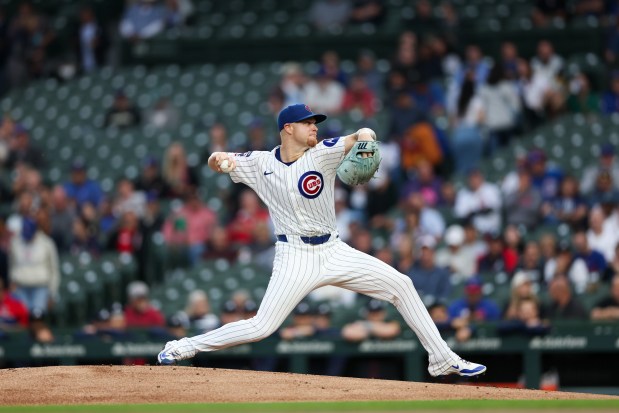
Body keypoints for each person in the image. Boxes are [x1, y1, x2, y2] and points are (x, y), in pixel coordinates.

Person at [157, 103, 486, 377]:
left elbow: (360, 135)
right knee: (262, 326)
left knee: (401, 284)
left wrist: (367, 135)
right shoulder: (260, 163)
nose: (315, 127)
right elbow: (217, 159)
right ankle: (185, 346)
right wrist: (221, 160)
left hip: (333, 250)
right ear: (288, 128)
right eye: (307, 123)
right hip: (294, 255)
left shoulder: (324, 153)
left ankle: (442, 358)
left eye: (316, 122)